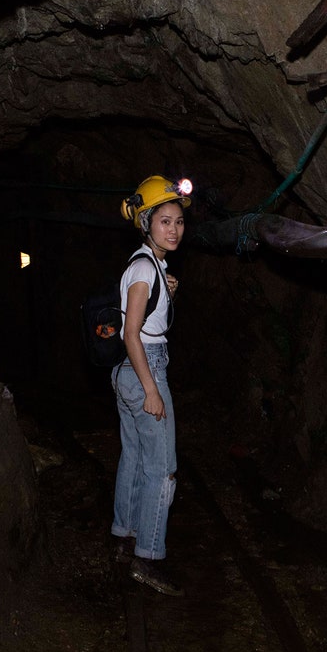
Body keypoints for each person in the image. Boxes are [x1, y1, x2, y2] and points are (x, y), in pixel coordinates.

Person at [111, 175, 189, 596]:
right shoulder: (144, 267)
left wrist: (168, 293)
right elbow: (132, 334)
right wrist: (152, 390)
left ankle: (124, 537)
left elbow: (142, 318)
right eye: (164, 221)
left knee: (136, 459)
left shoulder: (149, 264)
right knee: (163, 471)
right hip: (144, 369)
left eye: (178, 221)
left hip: (129, 372)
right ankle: (148, 556)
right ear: (145, 222)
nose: (173, 229)